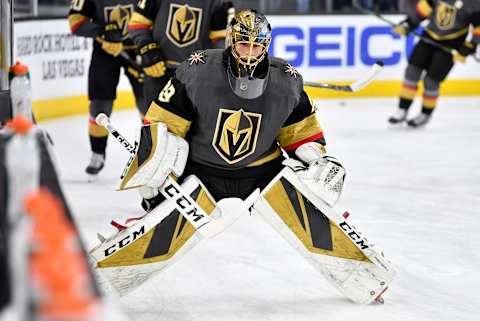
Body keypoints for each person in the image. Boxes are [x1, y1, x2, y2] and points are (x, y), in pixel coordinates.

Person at [68, 0, 146, 177]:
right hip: (105, 51)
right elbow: (75, 22)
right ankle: (98, 152)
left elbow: (157, 17)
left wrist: (149, 45)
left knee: (147, 104)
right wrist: (102, 31)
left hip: (140, 50)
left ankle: (151, 153)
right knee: (100, 106)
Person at [388, 0, 480, 127]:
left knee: (431, 81)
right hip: (429, 36)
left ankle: (426, 114)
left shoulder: (473, 3)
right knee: (412, 71)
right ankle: (402, 109)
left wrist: (470, 46)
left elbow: (478, 27)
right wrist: (408, 24)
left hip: (452, 43)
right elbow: (422, 11)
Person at [127, 0, 234, 107]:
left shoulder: (219, 2)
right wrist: (147, 49)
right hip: (159, 70)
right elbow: (138, 24)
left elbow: (220, 40)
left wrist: (217, 65)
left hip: (196, 76)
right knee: (154, 121)